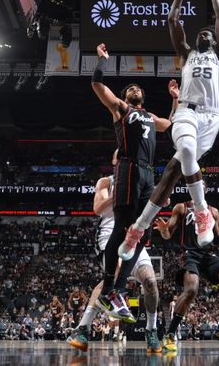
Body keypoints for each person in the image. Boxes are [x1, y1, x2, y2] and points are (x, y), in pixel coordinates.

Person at [120, 0, 219, 259]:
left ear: (217, 41)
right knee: (186, 150)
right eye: (201, 32)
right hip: (187, 113)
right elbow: (172, 19)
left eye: (209, 33)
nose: (205, 33)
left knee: (172, 171)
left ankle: (139, 228)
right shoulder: (187, 54)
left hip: (211, 119)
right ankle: (203, 212)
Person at [89, 43, 173, 325]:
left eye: (138, 89)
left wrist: (174, 98)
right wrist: (102, 61)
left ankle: (116, 291)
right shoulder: (122, 110)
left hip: (149, 174)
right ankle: (110, 288)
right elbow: (97, 85)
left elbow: (168, 125)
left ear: (144, 96)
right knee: (124, 227)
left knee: (142, 232)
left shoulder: (150, 117)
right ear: (126, 97)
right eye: (131, 89)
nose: (135, 89)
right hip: (129, 169)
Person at [68, 147, 172, 354]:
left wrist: (158, 196)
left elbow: (164, 200)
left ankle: (151, 331)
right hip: (109, 234)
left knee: (150, 282)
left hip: (133, 236)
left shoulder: (143, 180)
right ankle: (83, 328)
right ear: (115, 162)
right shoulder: (106, 182)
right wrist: (123, 193)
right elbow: (97, 209)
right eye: (123, 157)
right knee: (114, 273)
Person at [153, 199, 219, 353]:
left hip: (208, 255)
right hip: (190, 254)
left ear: (204, 189)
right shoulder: (182, 207)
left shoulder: (213, 211)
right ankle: (169, 335)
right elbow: (168, 234)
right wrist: (163, 230)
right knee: (191, 290)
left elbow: (215, 237)